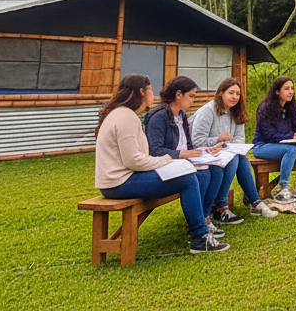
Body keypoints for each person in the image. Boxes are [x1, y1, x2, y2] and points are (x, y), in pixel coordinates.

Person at [94, 73, 227, 253]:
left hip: (120, 179)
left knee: (193, 174)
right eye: (150, 89)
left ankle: (202, 228)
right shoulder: (126, 117)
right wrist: (166, 161)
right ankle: (199, 237)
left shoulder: (124, 114)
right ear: (142, 91)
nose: (153, 95)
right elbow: (133, 160)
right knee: (187, 179)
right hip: (119, 182)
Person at [143, 76, 227, 241]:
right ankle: (198, 225)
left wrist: (205, 150)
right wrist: (183, 154)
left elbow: (187, 146)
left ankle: (204, 217)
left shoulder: (182, 116)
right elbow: (155, 151)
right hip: (165, 164)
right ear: (178, 94)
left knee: (216, 169)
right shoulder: (159, 116)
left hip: (182, 162)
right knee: (202, 175)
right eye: (191, 95)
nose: (194, 100)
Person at [191, 76, 278, 222]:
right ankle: (222, 207)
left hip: (223, 153)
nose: (235, 97)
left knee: (240, 158)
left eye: (238, 94)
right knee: (232, 159)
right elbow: (196, 141)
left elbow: (239, 140)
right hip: (203, 154)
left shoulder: (237, 112)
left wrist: (228, 146)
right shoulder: (208, 111)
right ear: (221, 93)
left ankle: (254, 202)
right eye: (231, 93)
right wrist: (218, 139)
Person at [252, 76, 296, 202]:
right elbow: (270, 135)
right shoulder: (265, 107)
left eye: (292, 88)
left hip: (285, 145)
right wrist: (293, 137)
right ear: (277, 91)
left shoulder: (292, 106)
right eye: (286, 89)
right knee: (291, 150)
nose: (291, 91)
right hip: (263, 145)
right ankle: (284, 187)